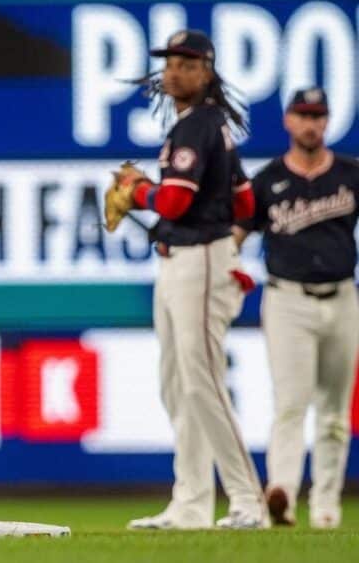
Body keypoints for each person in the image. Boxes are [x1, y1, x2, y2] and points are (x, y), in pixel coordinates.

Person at [115, 30, 268, 530]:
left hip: (199, 260)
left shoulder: (199, 125)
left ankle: (249, 501)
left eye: (186, 63)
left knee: (202, 383)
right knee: (179, 386)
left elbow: (176, 202)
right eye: (170, 62)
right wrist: (234, 239)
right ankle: (192, 503)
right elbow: (245, 201)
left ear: (206, 72)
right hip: (186, 259)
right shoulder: (205, 125)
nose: (174, 71)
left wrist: (138, 192)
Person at [233, 87, 359, 529]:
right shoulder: (267, 180)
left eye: (318, 115)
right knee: (290, 403)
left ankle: (326, 507)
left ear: (327, 121)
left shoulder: (350, 174)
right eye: (304, 114)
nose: (311, 123)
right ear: (288, 121)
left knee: (334, 413)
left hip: (342, 297)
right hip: (287, 299)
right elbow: (236, 234)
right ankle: (281, 495)